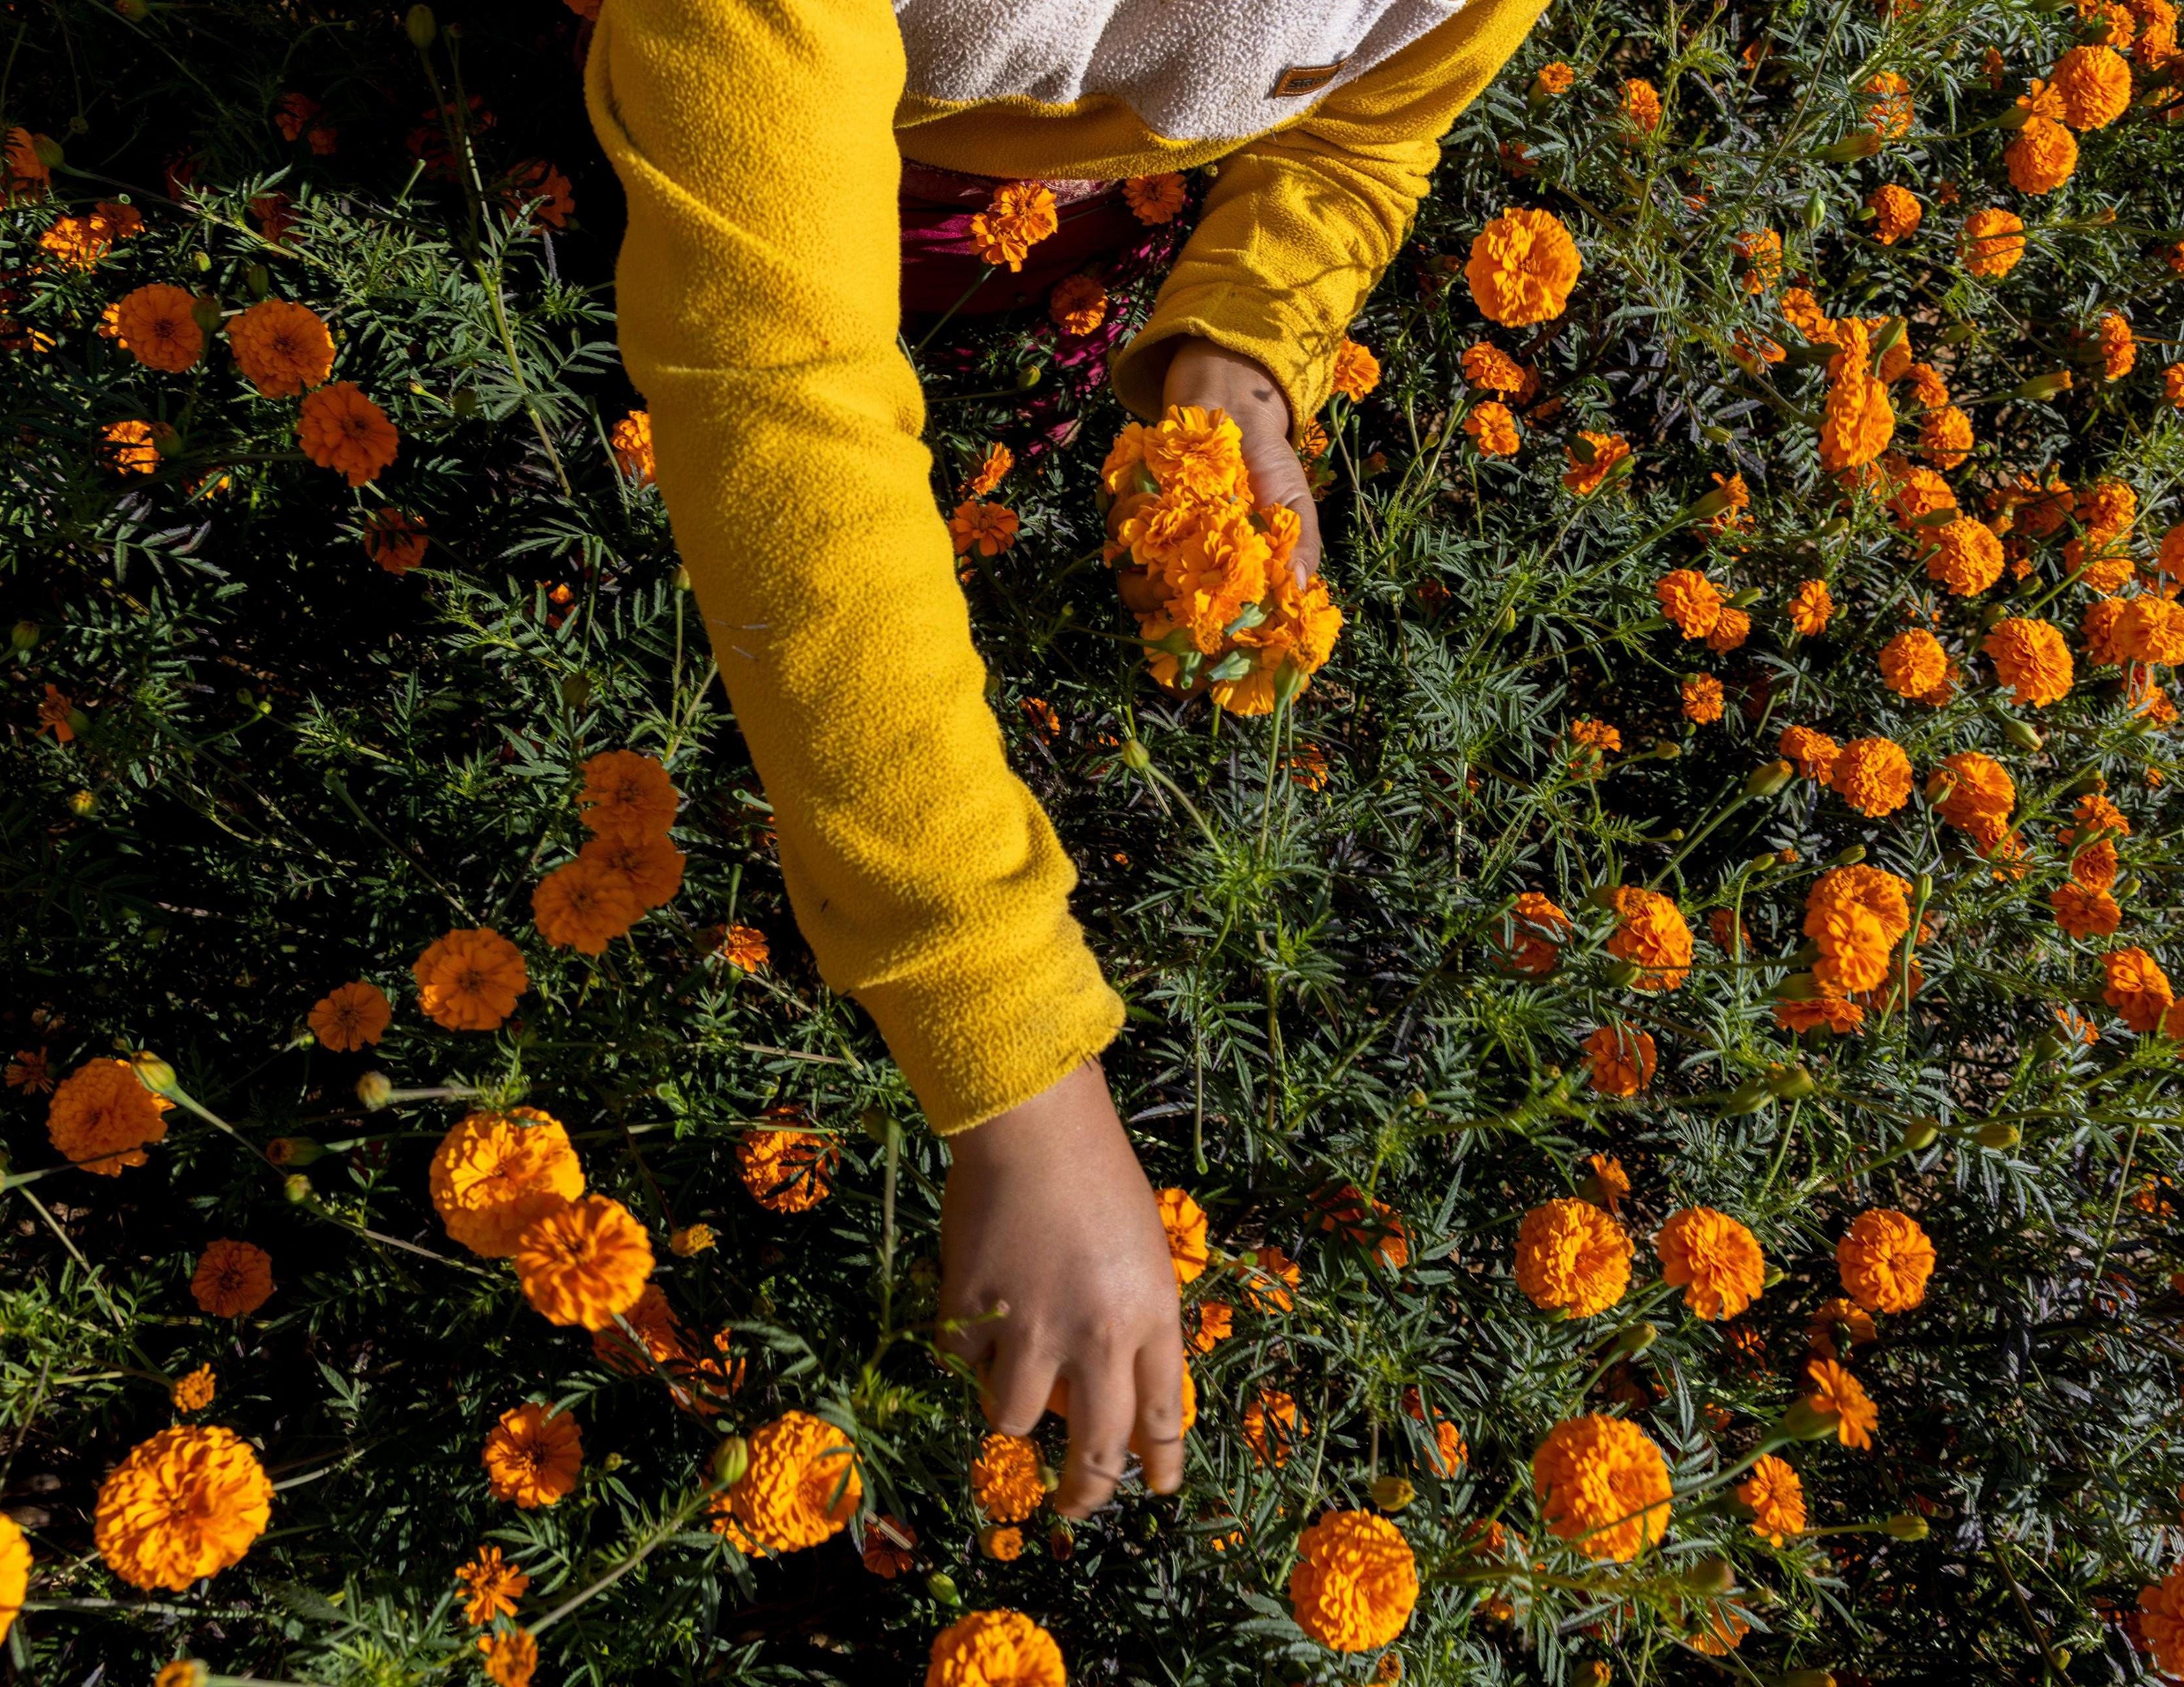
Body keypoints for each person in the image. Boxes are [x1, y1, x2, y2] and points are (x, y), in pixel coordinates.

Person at [584, 0, 1544, 1519]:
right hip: (731, 178)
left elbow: (1374, 122)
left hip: (1038, 235)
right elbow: (780, 391)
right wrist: (1009, 1049)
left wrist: (1241, 345)